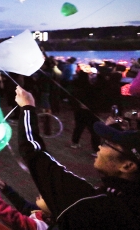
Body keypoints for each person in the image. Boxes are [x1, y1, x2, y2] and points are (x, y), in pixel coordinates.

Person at [16, 86, 140, 229]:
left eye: (107, 144)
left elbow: (33, 152)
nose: (99, 147)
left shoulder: (93, 204)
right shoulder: (128, 200)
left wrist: (27, 107)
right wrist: (114, 133)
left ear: (128, 166)